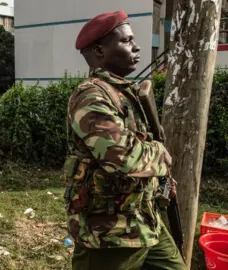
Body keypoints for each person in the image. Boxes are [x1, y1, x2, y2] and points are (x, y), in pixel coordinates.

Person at [63, 10, 185, 269]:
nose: (137, 46)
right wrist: (161, 156)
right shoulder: (91, 97)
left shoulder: (121, 93)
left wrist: (159, 180)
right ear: (99, 52)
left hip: (142, 220)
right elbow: (123, 156)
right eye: (126, 41)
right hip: (109, 234)